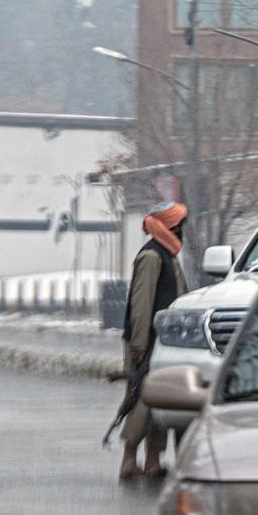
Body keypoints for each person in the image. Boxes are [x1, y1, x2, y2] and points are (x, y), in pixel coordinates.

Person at [105, 201, 188, 479]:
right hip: (147, 343)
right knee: (141, 399)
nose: (182, 230)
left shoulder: (168, 255)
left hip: (163, 343)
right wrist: (140, 344)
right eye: (179, 225)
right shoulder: (152, 256)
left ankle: (153, 462)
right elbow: (141, 304)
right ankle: (130, 459)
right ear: (170, 226)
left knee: (159, 403)